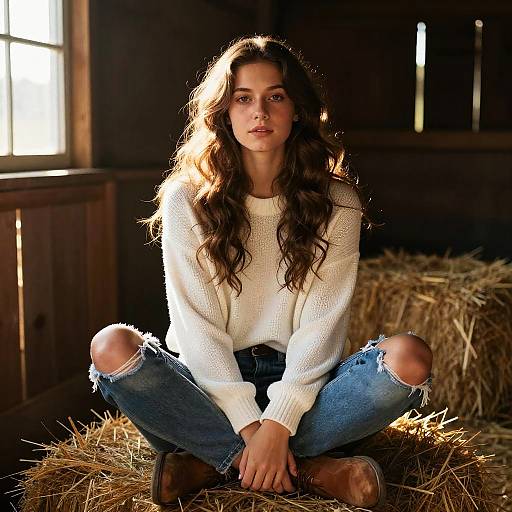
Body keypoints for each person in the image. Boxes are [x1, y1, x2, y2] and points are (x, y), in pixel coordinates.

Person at [88, 35, 433, 509]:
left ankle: (210, 463)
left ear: (297, 110)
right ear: (224, 113)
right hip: (208, 382)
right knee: (111, 349)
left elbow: (322, 326)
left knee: (409, 360)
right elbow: (197, 329)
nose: (260, 113)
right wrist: (253, 428)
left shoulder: (337, 202)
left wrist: (280, 420)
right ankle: (308, 470)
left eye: (276, 97)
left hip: (303, 381)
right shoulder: (187, 200)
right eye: (243, 99)